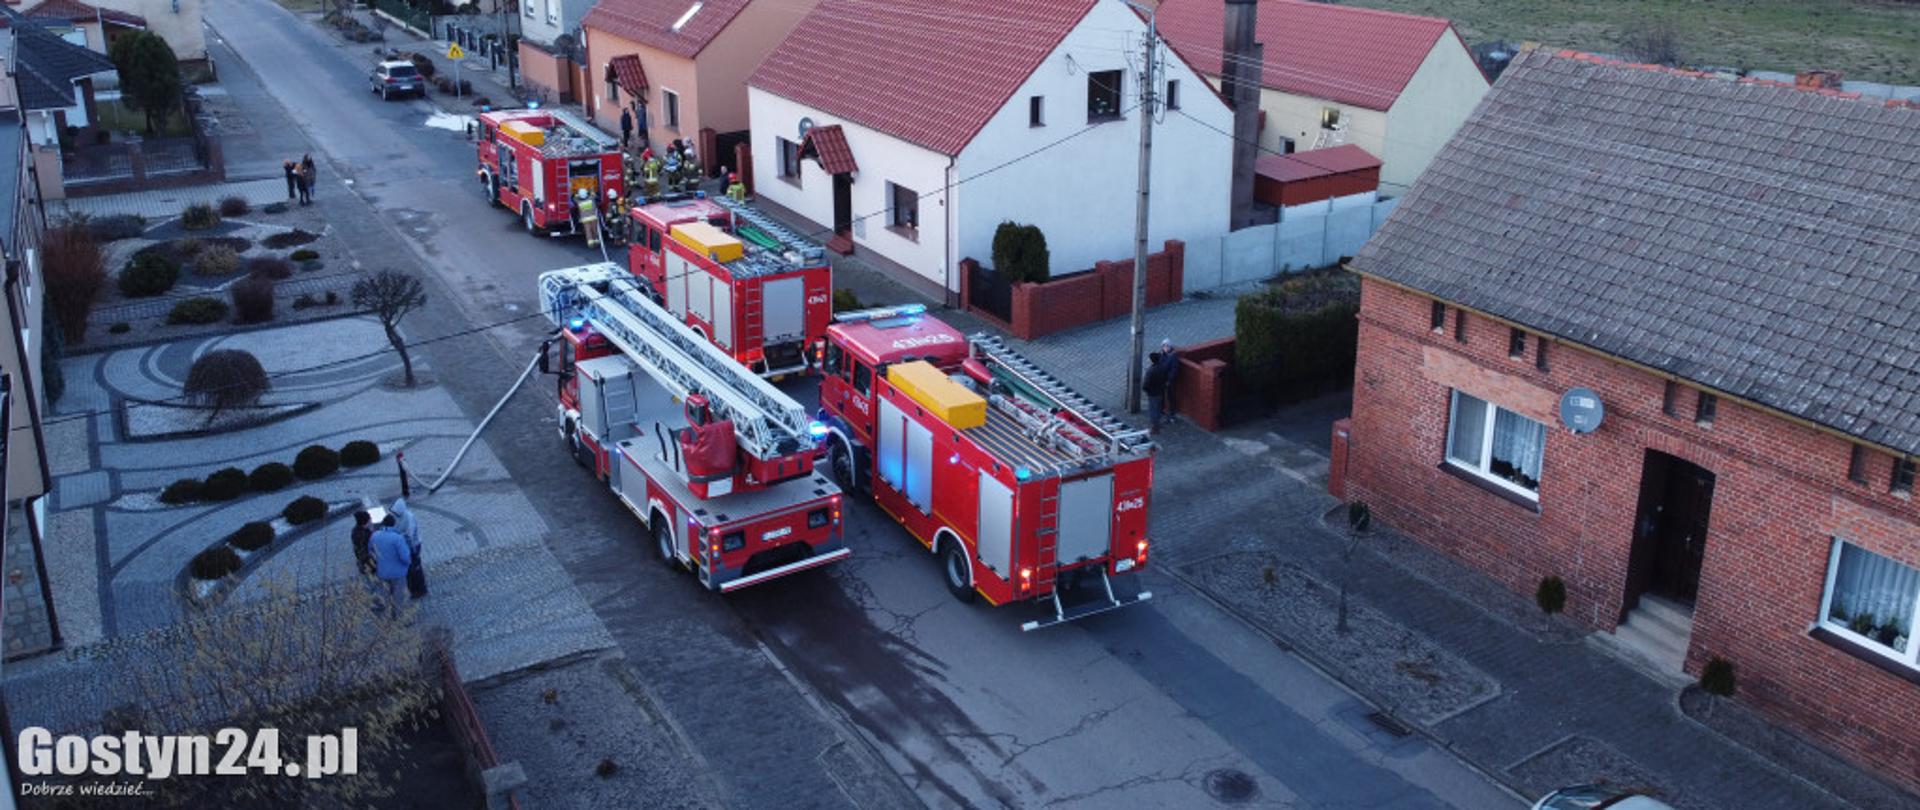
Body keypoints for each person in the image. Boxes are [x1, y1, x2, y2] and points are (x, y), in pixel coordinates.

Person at [370, 516, 412, 612]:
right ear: (394, 524)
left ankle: (385, 612)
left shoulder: (374, 536)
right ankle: (399, 616)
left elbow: (371, 551)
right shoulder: (398, 538)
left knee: (385, 592)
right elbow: (405, 557)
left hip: (382, 571)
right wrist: (408, 563)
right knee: (399, 595)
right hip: (398, 573)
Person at [392, 498, 427, 599]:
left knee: (415, 568)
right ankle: (415, 588)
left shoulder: (409, 517)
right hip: (407, 545)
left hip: (413, 546)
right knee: (411, 568)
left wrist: (397, 537)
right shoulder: (399, 515)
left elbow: (410, 535)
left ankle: (420, 589)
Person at [1142, 350, 1171, 434]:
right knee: (1158, 408)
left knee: (1152, 410)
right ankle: (1157, 424)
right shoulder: (1162, 367)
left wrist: (1147, 390)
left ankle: (1154, 427)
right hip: (1160, 391)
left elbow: (1146, 384)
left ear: (1151, 360)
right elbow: (1166, 378)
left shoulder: (1150, 371)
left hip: (1152, 393)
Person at [1156, 339, 1181, 417]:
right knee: (1161, 395)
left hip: (1168, 380)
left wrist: (1169, 380)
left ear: (1170, 347)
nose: (1165, 348)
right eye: (1164, 346)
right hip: (1161, 379)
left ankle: (1172, 412)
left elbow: (1174, 370)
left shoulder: (1173, 356)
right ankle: (1161, 410)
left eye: (1167, 346)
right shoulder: (1161, 354)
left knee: (1170, 396)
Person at [350, 510, 376, 577]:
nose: (371, 520)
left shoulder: (355, 530)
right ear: (365, 522)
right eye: (369, 519)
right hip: (368, 563)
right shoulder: (365, 533)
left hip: (362, 562)